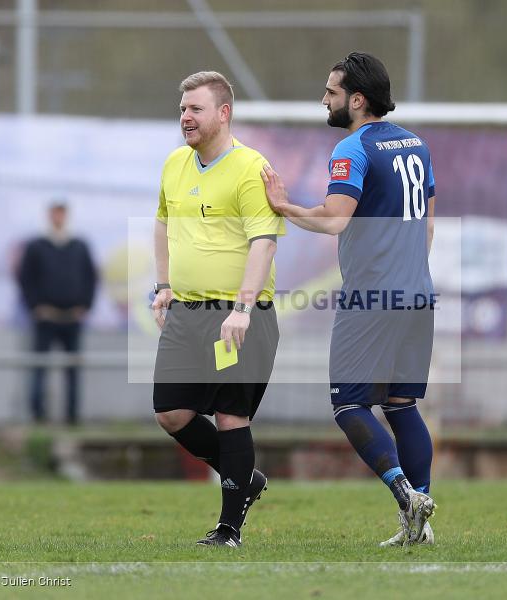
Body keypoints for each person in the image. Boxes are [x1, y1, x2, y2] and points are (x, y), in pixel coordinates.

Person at [261, 52, 437, 546]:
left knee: (348, 405)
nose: (325, 99)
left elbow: (334, 218)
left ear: (357, 100)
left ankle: (407, 496)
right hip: (417, 294)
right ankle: (417, 527)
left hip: (372, 297)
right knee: (402, 407)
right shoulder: (417, 144)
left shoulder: (352, 147)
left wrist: (284, 206)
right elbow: (427, 221)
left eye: (331, 92)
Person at [151, 71, 285, 548]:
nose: (185, 116)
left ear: (223, 114)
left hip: (236, 317)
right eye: (183, 108)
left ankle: (229, 529)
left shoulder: (251, 168)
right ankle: (244, 479)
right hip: (186, 313)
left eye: (196, 109)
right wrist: (164, 285)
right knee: (170, 412)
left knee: (231, 416)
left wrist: (243, 309)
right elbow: (163, 224)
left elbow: (264, 243)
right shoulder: (174, 164)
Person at [18, 201, 98, 425]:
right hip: (46, 318)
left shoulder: (79, 245)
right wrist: (35, 307)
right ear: (49, 215)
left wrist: (85, 305)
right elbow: (25, 279)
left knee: (72, 369)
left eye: (62, 213)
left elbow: (91, 277)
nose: (58, 218)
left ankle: (72, 417)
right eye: (55, 213)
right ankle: (37, 416)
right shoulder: (36, 246)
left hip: (72, 317)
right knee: (39, 368)